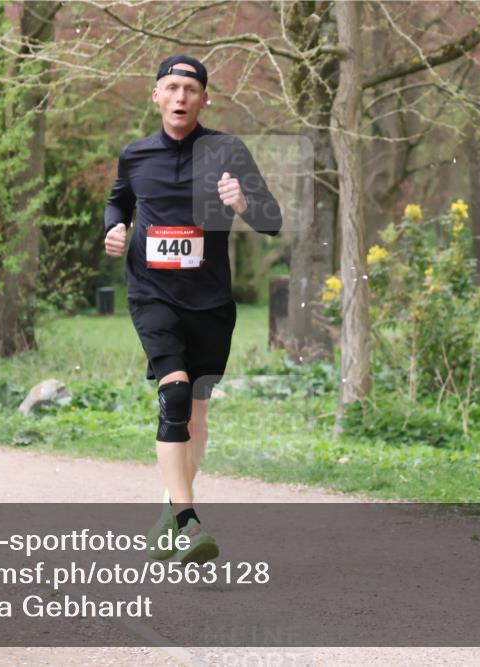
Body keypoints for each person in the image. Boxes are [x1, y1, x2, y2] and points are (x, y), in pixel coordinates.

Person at [104, 54, 282, 565]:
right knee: (175, 394)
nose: (180, 97)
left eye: (190, 89)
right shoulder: (135, 156)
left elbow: (273, 221)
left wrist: (244, 202)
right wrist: (115, 228)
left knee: (197, 414)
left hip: (209, 301)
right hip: (152, 293)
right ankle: (188, 522)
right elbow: (119, 202)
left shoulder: (227, 150)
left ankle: (169, 505)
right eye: (171, 87)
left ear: (204, 99)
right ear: (155, 96)